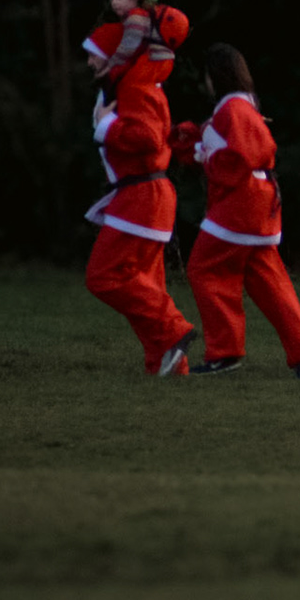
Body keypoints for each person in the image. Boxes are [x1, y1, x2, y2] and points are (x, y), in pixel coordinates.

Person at [170, 43, 300, 380]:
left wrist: (207, 157)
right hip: (260, 203)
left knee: (204, 269)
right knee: (268, 280)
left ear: (216, 76)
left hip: (241, 204)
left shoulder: (233, 110)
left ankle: (225, 351)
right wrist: (196, 144)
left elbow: (243, 154)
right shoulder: (243, 108)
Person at [82, 33, 196, 377]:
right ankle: (168, 363)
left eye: (94, 53)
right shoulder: (133, 87)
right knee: (145, 283)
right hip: (146, 194)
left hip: (141, 197)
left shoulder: (133, 88)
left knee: (104, 277)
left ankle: (174, 328)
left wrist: (106, 125)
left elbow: (146, 138)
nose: (88, 61)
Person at [93, 0, 190, 100]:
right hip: (161, 62)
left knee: (131, 89)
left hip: (153, 62)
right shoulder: (142, 15)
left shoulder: (135, 17)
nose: (114, 2)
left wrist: (110, 65)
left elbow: (129, 46)